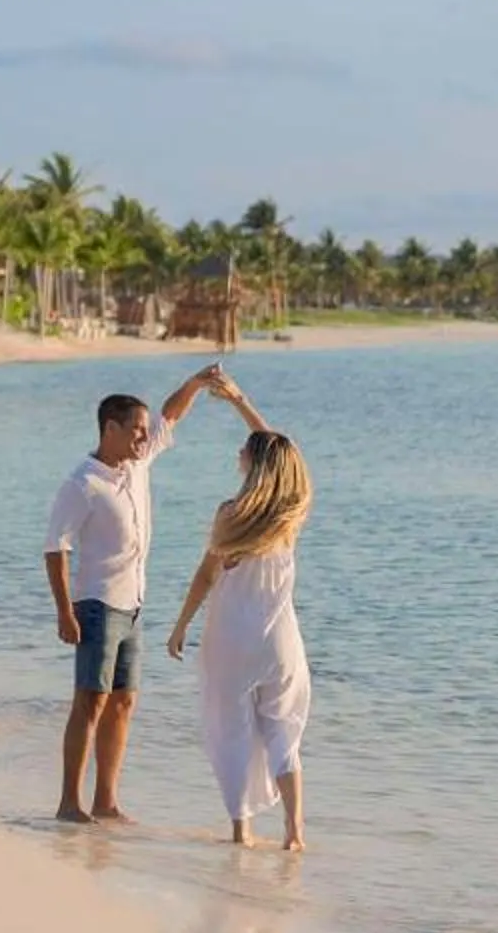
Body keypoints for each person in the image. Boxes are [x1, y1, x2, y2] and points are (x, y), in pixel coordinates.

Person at [42, 364, 224, 823]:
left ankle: (106, 801)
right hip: (96, 605)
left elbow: (170, 418)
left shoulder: (137, 463)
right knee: (90, 700)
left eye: (145, 432)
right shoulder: (82, 482)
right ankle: (69, 802)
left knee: (124, 701)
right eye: (137, 431)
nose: (145, 438)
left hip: (134, 604)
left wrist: (197, 384)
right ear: (111, 428)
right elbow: (55, 548)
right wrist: (65, 611)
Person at [165, 376, 314, 850]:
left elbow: (206, 576)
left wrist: (182, 624)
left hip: (231, 638)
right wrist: (241, 403)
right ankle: (294, 831)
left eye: (244, 452)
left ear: (251, 462)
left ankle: (241, 832)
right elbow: (284, 456)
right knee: (282, 734)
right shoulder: (290, 515)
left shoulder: (229, 515)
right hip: (279, 641)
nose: (238, 454)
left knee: (230, 729)